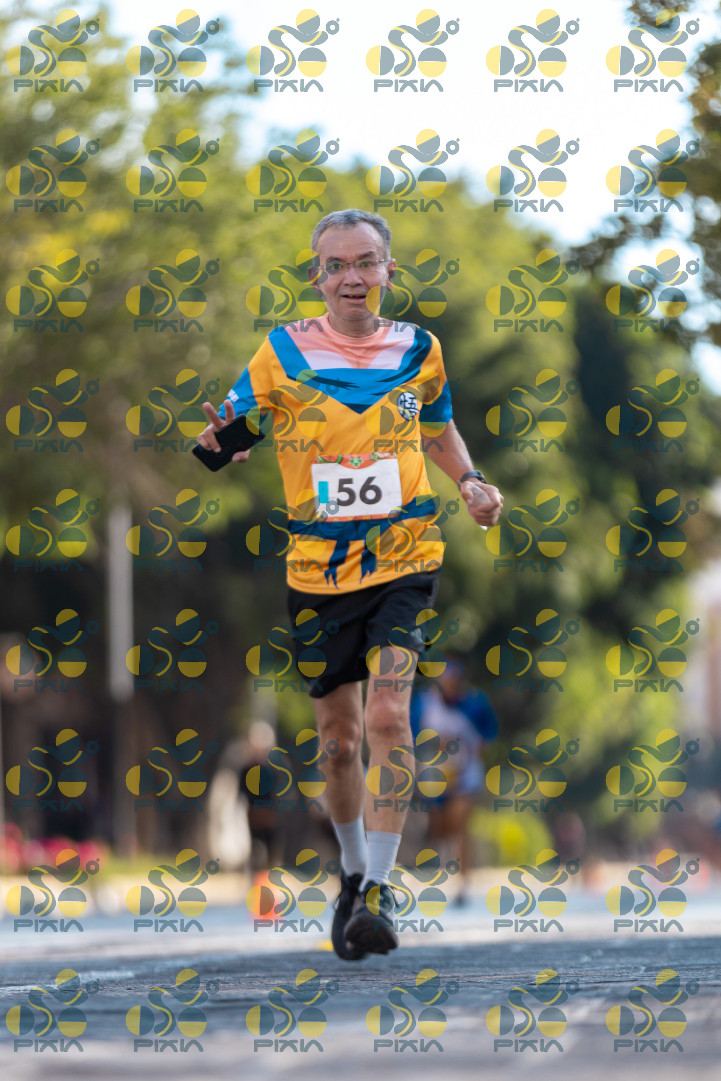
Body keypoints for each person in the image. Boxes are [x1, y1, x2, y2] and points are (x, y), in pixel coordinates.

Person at [197, 208, 503, 959]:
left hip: (406, 556)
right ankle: (354, 873)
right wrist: (221, 443)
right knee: (338, 744)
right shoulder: (281, 350)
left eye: (366, 262)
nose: (352, 277)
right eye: (336, 265)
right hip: (317, 570)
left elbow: (437, 425)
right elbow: (236, 428)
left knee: (390, 717)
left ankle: (381, 890)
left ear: (388, 271)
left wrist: (469, 480)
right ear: (317, 277)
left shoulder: (420, 349)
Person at [410, 658, 498, 904]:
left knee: (459, 824)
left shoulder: (475, 703)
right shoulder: (424, 704)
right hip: (434, 776)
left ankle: (463, 882)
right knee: (441, 827)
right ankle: (443, 870)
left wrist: (469, 748)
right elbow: (411, 736)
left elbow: (488, 735)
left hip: (466, 774)